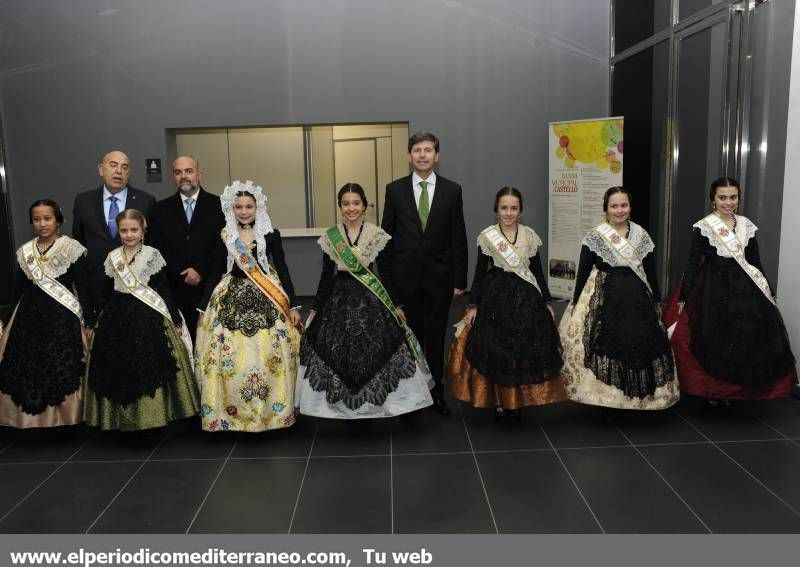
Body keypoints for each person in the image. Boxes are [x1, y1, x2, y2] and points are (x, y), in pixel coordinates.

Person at [296, 183, 433, 419]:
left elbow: (386, 274)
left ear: (364, 205)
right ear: (340, 207)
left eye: (356, 203)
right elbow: (326, 277)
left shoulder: (377, 234)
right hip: (338, 299)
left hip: (371, 298)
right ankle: (346, 406)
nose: (351, 208)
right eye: (346, 203)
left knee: (381, 349)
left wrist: (397, 305)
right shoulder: (331, 237)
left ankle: (378, 405)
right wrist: (316, 307)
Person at [663, 177, 796, 403]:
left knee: (744, 340)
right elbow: (693, 262)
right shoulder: (704, 226)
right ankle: (714, 391)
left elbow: (754, 260)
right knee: (713, 338)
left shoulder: (747, 225)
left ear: (738, 198)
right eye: (722, 197)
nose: (728, 202)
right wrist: (684, 296)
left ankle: (735, 390)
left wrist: (769, 290)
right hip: (712, 287)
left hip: (745, 288)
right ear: (713, 200)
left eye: (733, 197)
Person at [448, 188, 565, 422]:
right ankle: (500, 400)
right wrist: (473, 305)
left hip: (526, 299)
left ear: (520, 211)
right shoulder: (488, 236)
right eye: (504, 208)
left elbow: (537, 272)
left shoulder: (530, 235)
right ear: (496, 210)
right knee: (497, 350)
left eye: (514, 208)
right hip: (496, 298)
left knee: (521, 349)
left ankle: (517, 399)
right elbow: (480, 274)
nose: (509, 213)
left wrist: (547, 302)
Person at [195, 180, 301, 432]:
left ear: (258, 207)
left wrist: (294, 304)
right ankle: (231, 417)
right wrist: (201, 308)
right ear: (231, 209)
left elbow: (283, 269)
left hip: (268, 296)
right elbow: (213, 273)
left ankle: (270, 416)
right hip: (229, 296)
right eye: (239, 207)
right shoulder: (225, 236)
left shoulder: (270, 235)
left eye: (249, 206)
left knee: (268, 356)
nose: (244, 211)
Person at [559, 187, 679, 409]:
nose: (619, 210)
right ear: (605, 209)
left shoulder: (641, 235)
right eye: (614, 206)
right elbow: (583, 272)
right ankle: (609, 398)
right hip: (605, 294)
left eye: (624, 205)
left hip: (637, 298)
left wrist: (656, 298)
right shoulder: (595, 236)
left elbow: (650, 270)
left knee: (640, 342)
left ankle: (634, 399)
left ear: (630, 207)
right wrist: (575, 302)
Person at [378, 132, 468, 416]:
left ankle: (436, 392)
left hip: (440, 279)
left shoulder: (452, 190)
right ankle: (412, 394)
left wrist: (459, 280)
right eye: (417, 150)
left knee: (435, 336)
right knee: (410, 338)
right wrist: (389, 284)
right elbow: (386, 239)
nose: (422, 155)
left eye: (428, 150)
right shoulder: (395, 190)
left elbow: (458, 236)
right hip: (406, 280)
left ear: (437, 155)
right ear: (409, 156)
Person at [83, 209, 198, 431]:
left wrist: (174, 317)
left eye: (133, 230)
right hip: (116, 319)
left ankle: (152, 417)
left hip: (149, 318)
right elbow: (105, 292)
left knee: (151, 365)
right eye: (124, 230)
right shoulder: (112, 257)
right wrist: (97, 318)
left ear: (143, 230)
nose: (129, 235)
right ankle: (120, 419)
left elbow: (164, 290)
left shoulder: (153, 255)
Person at [0, 200, 93, 428]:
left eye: (47, 218)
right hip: (28, 318)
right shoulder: (25, 252)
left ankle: (66, 419)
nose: (42, 224)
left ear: (58, 220)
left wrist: (89, 319)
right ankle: (32, 422)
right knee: (27, 366)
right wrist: (7, 318)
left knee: (62, 365)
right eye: (37, 219)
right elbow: (18, 289)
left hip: (63, 318)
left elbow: (84, 285)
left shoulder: (71, 248)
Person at [149, 156, 225, 341]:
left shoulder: (220, 206)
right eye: (178, 172)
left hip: (209, 288)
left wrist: (200, 271)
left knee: (209, 343)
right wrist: (182, 272)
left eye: (189, 171)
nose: (184, 176)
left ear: (199, 175)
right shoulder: (159, 209)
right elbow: (157, 248)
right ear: (173, 177)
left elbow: (221, 247)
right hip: (174, 290)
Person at [72, 150, 155, 299]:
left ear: (128, 173)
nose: (119, 171)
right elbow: (79, 241)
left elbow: (152, 241)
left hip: (134, 281)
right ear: (101, 170)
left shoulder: (145, 201)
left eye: (124, 167)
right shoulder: (83, 201)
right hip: (95, 281)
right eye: (113, 165)